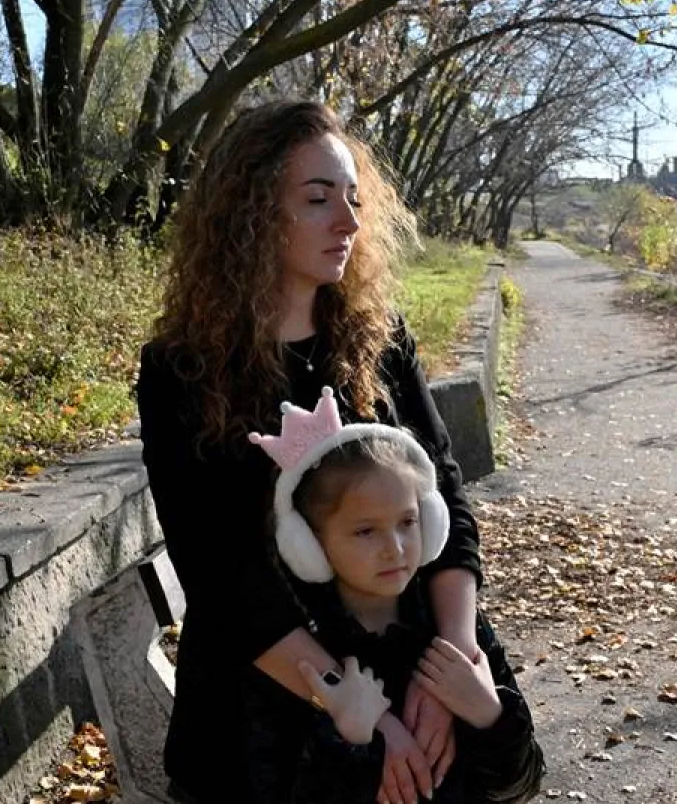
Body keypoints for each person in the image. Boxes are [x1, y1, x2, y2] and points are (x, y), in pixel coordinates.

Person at [135, 100, 484, 804]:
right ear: (251, 212)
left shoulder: (381, 338)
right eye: (319, 199)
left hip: (407, 673)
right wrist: (366, 717)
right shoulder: (182, 371)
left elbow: (442, 497)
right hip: (261, 722)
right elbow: (221, 576)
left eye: (353, 199)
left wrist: (452, 661)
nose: (348, 222)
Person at [241, 389, 544, 803]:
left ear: (431, 520)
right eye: (366, 531)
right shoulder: (308, 659)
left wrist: (489, 715)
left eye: (407, 522)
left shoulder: (452, 628)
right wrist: (349, 741)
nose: (395, 549)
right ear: (308, 545)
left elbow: (520, 786)